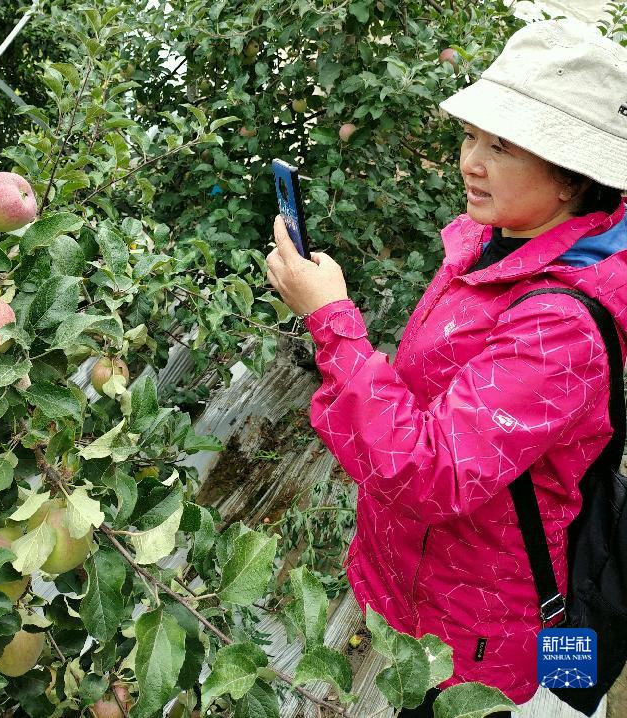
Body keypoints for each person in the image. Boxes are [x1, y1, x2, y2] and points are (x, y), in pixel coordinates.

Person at [266, 18, 627, 717]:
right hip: (431, 581)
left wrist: (332, 320)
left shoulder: (560, 328)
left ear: (571, 177)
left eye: (501, 146)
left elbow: (432, 471)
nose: (470, 162)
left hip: (481, 627)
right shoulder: (496, 246)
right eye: (470, 136)